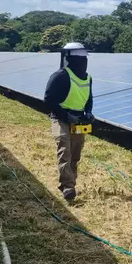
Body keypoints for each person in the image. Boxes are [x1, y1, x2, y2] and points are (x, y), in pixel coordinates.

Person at [43, 42, 94, 201]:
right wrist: (65, 115)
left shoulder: (88, 78)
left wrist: (89, 113)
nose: (83, 62)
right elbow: (48, 100)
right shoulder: (60, 76)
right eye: (80, 58)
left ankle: (70, 182)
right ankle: (67, 186)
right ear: (70, 59)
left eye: (84, 58)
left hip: (78, 121)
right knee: (64, 149)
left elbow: (88, 98)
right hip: (61, 118)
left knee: (75, 153)